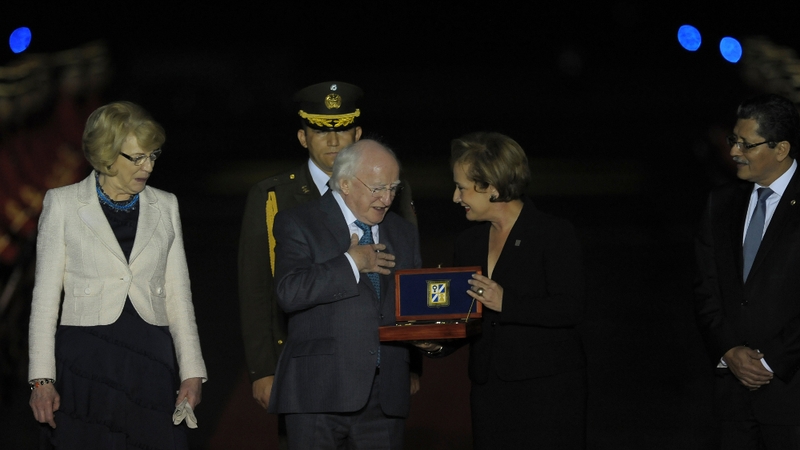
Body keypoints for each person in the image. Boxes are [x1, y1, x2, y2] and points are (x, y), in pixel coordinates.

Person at [28, 101, 207, 449]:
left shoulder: (166, 205)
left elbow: (179, 297)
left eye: (153, 155)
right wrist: (41, 380)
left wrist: (192, 372)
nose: (148, 166)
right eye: (137, 158)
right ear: (107, 156)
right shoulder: (62, 204)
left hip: (150, 360)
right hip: (86, 361)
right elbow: (45, 301)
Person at [237, 81, 419, 415]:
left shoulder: (392, 190)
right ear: (303, 137)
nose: (333, 141)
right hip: (302, 364)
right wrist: (262, 368)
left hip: (379, 366)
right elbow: (256, 288)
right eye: (321, 131)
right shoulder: (274, 196)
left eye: (343, 129)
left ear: (358, 134)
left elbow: (407, 275)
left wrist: (412, 363)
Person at [267, 139, 422, 449]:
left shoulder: (403, 232)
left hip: (385, 398)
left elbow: (412, 306)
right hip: (317, 393)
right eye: (378, 188)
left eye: (393, 188)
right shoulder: (298, 222)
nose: (387, 198)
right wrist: (352, 262)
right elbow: (289, 292)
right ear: (346, 184)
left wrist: (428, 344)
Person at [441, 131, 587, 449]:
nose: (455, 197)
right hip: (488, 393)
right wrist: (435, 342)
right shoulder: (468, 243)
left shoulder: (553, 234)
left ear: (492, 188)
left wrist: (507, 302)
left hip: (546, 393)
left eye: (462, 188)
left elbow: (570, 308)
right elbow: (468, 317)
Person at [694, 93, 800, 449]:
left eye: (746, 144)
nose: (734, 151)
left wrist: (771, 363)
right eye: (733, 140)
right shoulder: (721, 202)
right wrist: (728, 350)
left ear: (781, 149)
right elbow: (706, 286)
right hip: (733, 398)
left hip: (792, 394)